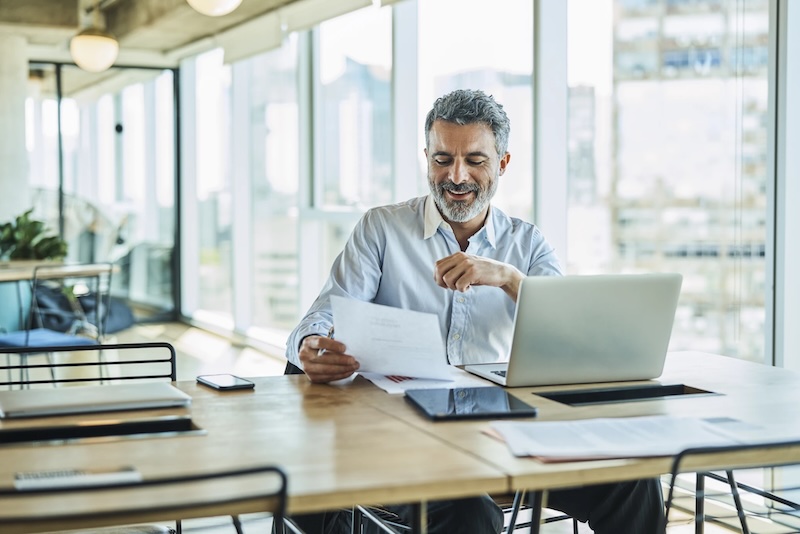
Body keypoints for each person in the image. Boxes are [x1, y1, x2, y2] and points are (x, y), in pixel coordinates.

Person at [284, 89, 666, 534]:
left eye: (475, 161)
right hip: (400, 432)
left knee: (633, 481)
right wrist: (311, 345)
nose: (456, 176)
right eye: (443, 159)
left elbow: (574, 336)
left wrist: (508, 278)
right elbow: (322, 316)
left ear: (502, 163)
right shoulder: (382, 228)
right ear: (426, 158)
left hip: (503, 430)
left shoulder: (527, 244)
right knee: (467, 512)